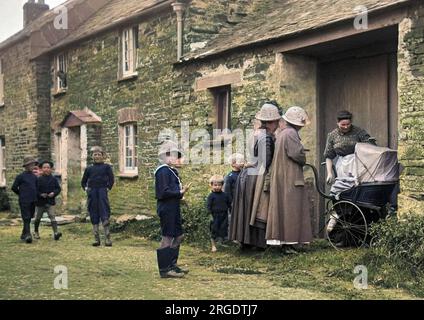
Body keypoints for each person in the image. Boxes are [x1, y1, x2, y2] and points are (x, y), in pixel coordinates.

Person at [230, 102, 280, 250]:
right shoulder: (266, 137)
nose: (277, 125)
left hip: (247, 175)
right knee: (257, 207)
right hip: (256, 176)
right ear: (271, 122)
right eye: (276, 122)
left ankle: (245, 242)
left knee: (247, 208)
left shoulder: (256, 133)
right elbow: (266, 160)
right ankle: (258, 243)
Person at [267, 106, 313, 251]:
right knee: (291, 209)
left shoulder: (282, 133)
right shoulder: (291, 133)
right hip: (290, 177)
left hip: (283, 176)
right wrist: (303, 156)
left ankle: (286, 242)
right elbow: (296, 154)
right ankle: (290, 243)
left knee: (285, 209)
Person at [155, 141, 190, 278]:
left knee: (179, 236)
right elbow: (162, 193)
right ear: (166, 156)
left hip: (173, 207)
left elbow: (172, 191)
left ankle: (172, 265)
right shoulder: (162, 171)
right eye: (175, 156)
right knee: (167, 237)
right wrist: (180, 192)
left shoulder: (171, 171)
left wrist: (180, 196)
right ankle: (165, 269)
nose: (177, 159)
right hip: (166, 208)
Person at [324, 110, 375, 186]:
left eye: (348, 124)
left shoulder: (358, 131)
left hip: (357, 164)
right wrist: (329, 173)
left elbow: (370, 145)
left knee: (357, 185)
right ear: (337, 123)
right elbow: (329, 156)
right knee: (345, 187)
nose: (346, 127)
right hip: (342, 165)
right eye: (343, 124)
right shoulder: (332, 135)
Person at [81, 146, 114, 247]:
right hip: (92, 192)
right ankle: (96, 239)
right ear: (92, 157)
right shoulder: (89, 169)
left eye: (99, 154)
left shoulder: (107, 167)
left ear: (102, 156)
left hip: (102, 191)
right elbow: (83, 181)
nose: (97, 156)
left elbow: (111, 179)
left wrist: (108, 188)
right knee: (93, 212)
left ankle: (107, 239)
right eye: (95, 155)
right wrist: (86, 189)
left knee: (104, 212)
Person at [11, 157, 39, 243]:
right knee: (26, 217)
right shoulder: (20, 177)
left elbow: (36, 188)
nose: (33, 166)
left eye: (33, 164)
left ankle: (24, 234)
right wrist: (21, 194)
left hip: (33, 200)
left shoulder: (34, 177)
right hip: (24, 200)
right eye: (31, 164)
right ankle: (28, 235)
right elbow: (14, 187)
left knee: (29, 217)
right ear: (26, 166)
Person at [34, 161, 62, 241]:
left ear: (51, 169)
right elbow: (35, 190)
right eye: (44, 167)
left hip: (50, 201)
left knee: (52, 216)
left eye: (48, 167)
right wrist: (40, 194)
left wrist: (53, 193)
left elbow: (58, 189)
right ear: (41, 169)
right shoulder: (38, 179)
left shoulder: (53, 179)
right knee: (38, 218)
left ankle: (56, 233)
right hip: (40, 202)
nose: (46, 169)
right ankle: (36, 232)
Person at [207, 175, 232, 252]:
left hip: (224, 215)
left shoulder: (225, 195)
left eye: (219, 185)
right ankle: (213, 245)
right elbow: (208, 206)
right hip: (215, 215)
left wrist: (230, 212)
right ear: (211, 185)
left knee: (223, 229)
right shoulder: (211, 196)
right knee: (213, 230)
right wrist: (210, 215)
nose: (217, 187)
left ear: (222, 185)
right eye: (215, 185)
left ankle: (221, 242)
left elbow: (229, 204)